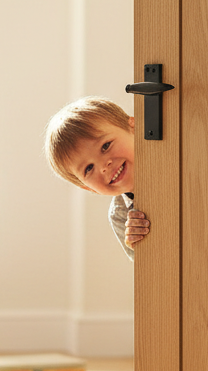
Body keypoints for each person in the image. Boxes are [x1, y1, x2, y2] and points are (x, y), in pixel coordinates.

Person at [43, 97, 150, 261]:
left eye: (105, 146)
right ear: (89, 188)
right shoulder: (120, 215)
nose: (103, 166)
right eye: (88, 168)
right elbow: (150, 268)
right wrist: (141, 247)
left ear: (134, 128)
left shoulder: (173, 157)